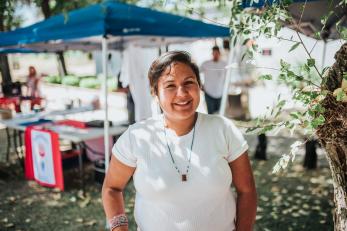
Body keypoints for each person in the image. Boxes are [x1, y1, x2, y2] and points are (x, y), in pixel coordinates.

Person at [102, 51, 257, 231]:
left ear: (199, 86)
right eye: (170, 86)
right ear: (155, 92)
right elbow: (111, 188)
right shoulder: (136, 137)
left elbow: (247, 190)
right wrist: (119, 228)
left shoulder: (223, 129)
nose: (182, 93)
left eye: (189, 83)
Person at [200, 46, 227, 114]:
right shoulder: (206, 64)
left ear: (219, 54)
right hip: (208, 92)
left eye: (217, 53)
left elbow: (227, 78)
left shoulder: (224, 64)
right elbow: (196, 73)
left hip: (220, 93)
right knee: (210, 114)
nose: (215, 55)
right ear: (212, 53)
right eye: (214, 53)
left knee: (220, 113)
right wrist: (200, 84)